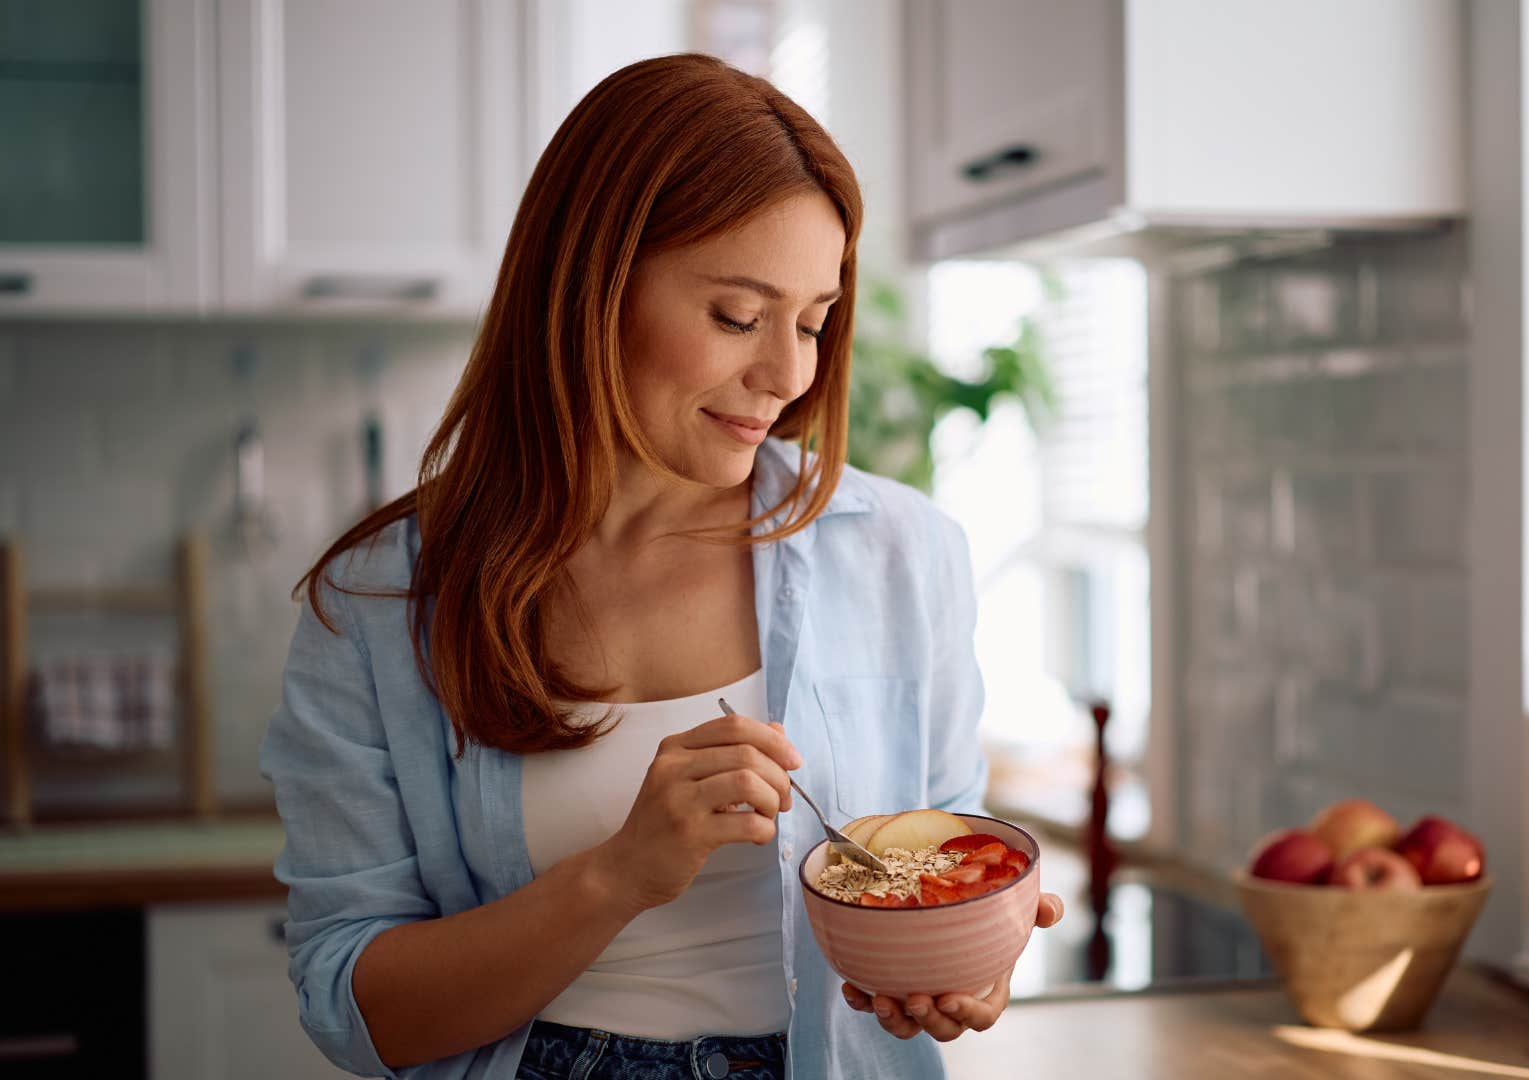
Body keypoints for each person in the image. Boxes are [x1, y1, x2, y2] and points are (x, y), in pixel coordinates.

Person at [261, 53, 1063, 1080]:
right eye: (737, 316)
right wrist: (618, 876)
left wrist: (963, 965)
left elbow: (942, 862)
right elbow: (353, 1008)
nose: (786, 375)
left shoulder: (903, 554)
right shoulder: (382, 602)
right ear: (592, 285)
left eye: (814, 322)